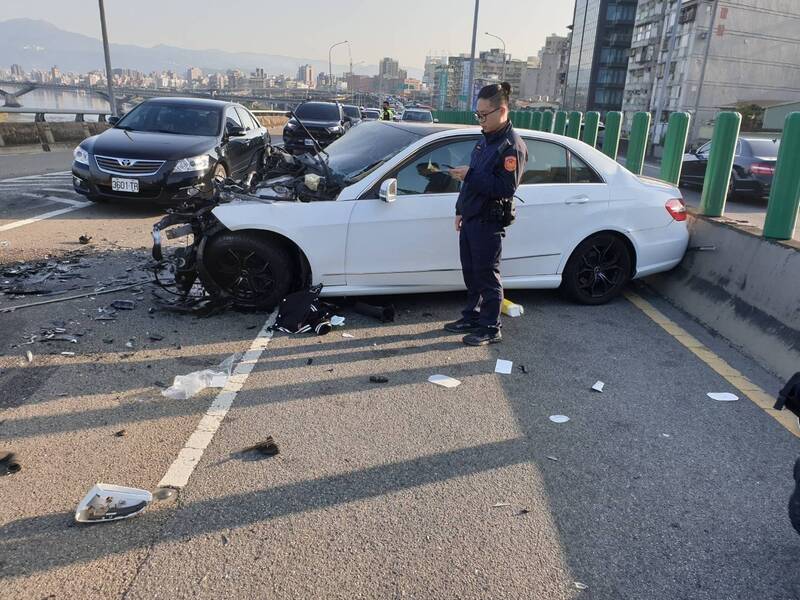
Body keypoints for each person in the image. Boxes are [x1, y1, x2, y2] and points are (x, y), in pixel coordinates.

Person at [444, 82, 527, 346]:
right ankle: (473, 316)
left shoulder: (510, 147)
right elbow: (472, 182)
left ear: (502, 111)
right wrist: (460, 209)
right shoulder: (485, 140)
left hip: (488, 221)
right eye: (477, 114)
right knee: (471, 272)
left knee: (487, 275)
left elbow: (504, 187)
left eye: (484, 115)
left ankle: (491, 326)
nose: (480, 120)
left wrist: (471, 174)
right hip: (471, 217)